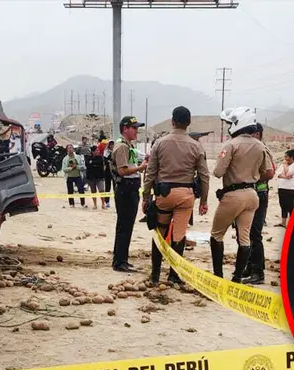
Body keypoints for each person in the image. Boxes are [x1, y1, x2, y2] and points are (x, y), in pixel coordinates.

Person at [141, 106, 210, 285]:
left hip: (165, 194)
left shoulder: (160, 143)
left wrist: (146, 196)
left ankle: (155, 275)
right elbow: (204, 176)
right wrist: (204, 200)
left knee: (160, 233)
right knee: (179, 236)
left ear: (172, 121)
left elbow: (150, 172)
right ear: (188, 123)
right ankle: (173, 275)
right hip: (186, 196)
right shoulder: (196, 146)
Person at [210, 107, 274, 282]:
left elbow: (218, 172)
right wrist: (250, 177)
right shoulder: (261, 146)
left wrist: (237, 175)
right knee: (245, 238)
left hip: (233, 194)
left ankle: (218, 276)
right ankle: (237, 278)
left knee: (216, 234)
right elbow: (268, 172)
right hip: (252, 195)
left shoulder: (231, 145)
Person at [110, 116, 148, 273]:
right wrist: (141, 168)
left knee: (126, 226)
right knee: (124, 227)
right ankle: (120, 262)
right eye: (134, 128)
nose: (136, 131)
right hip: (126, 189)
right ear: (125, 128)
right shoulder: (121, 147)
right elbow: (123, 170)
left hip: (129, 189)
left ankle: (121, 259)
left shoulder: (128, 146)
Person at [240, 123, 274, 285]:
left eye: (252, 134)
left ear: (258, 134)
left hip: (259, 194)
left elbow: (270, 172)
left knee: (255, 233)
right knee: (245, 233)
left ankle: (258, 272)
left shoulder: (262, 149)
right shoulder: (253, 149)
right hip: (249, 194)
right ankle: (248, 267)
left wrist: (252, 177)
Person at [276, 149, 294, 227]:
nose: (285, 158)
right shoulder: (283, 164)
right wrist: (285, 177)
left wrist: (285, 166)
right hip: (281, 187)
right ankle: (283, 222)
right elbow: (278, 174)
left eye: (287, 157)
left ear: (291, 157)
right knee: (283, 205)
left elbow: (288, 173)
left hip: (290, 188)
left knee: (290, 206)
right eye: (285, 157)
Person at [84, 144, 108, 210]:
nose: (98, 151)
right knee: (93, 191)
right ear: (93, 151)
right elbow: (87, 165)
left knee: (101, 190)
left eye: (98, 150)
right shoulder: (88, 158)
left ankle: (103, 204)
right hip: (91, 178)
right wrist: (93, 164)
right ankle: (95, 205)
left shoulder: (100, 158)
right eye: (96, 150)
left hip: (100, 177)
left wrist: (92, 163)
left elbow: (100, 165)